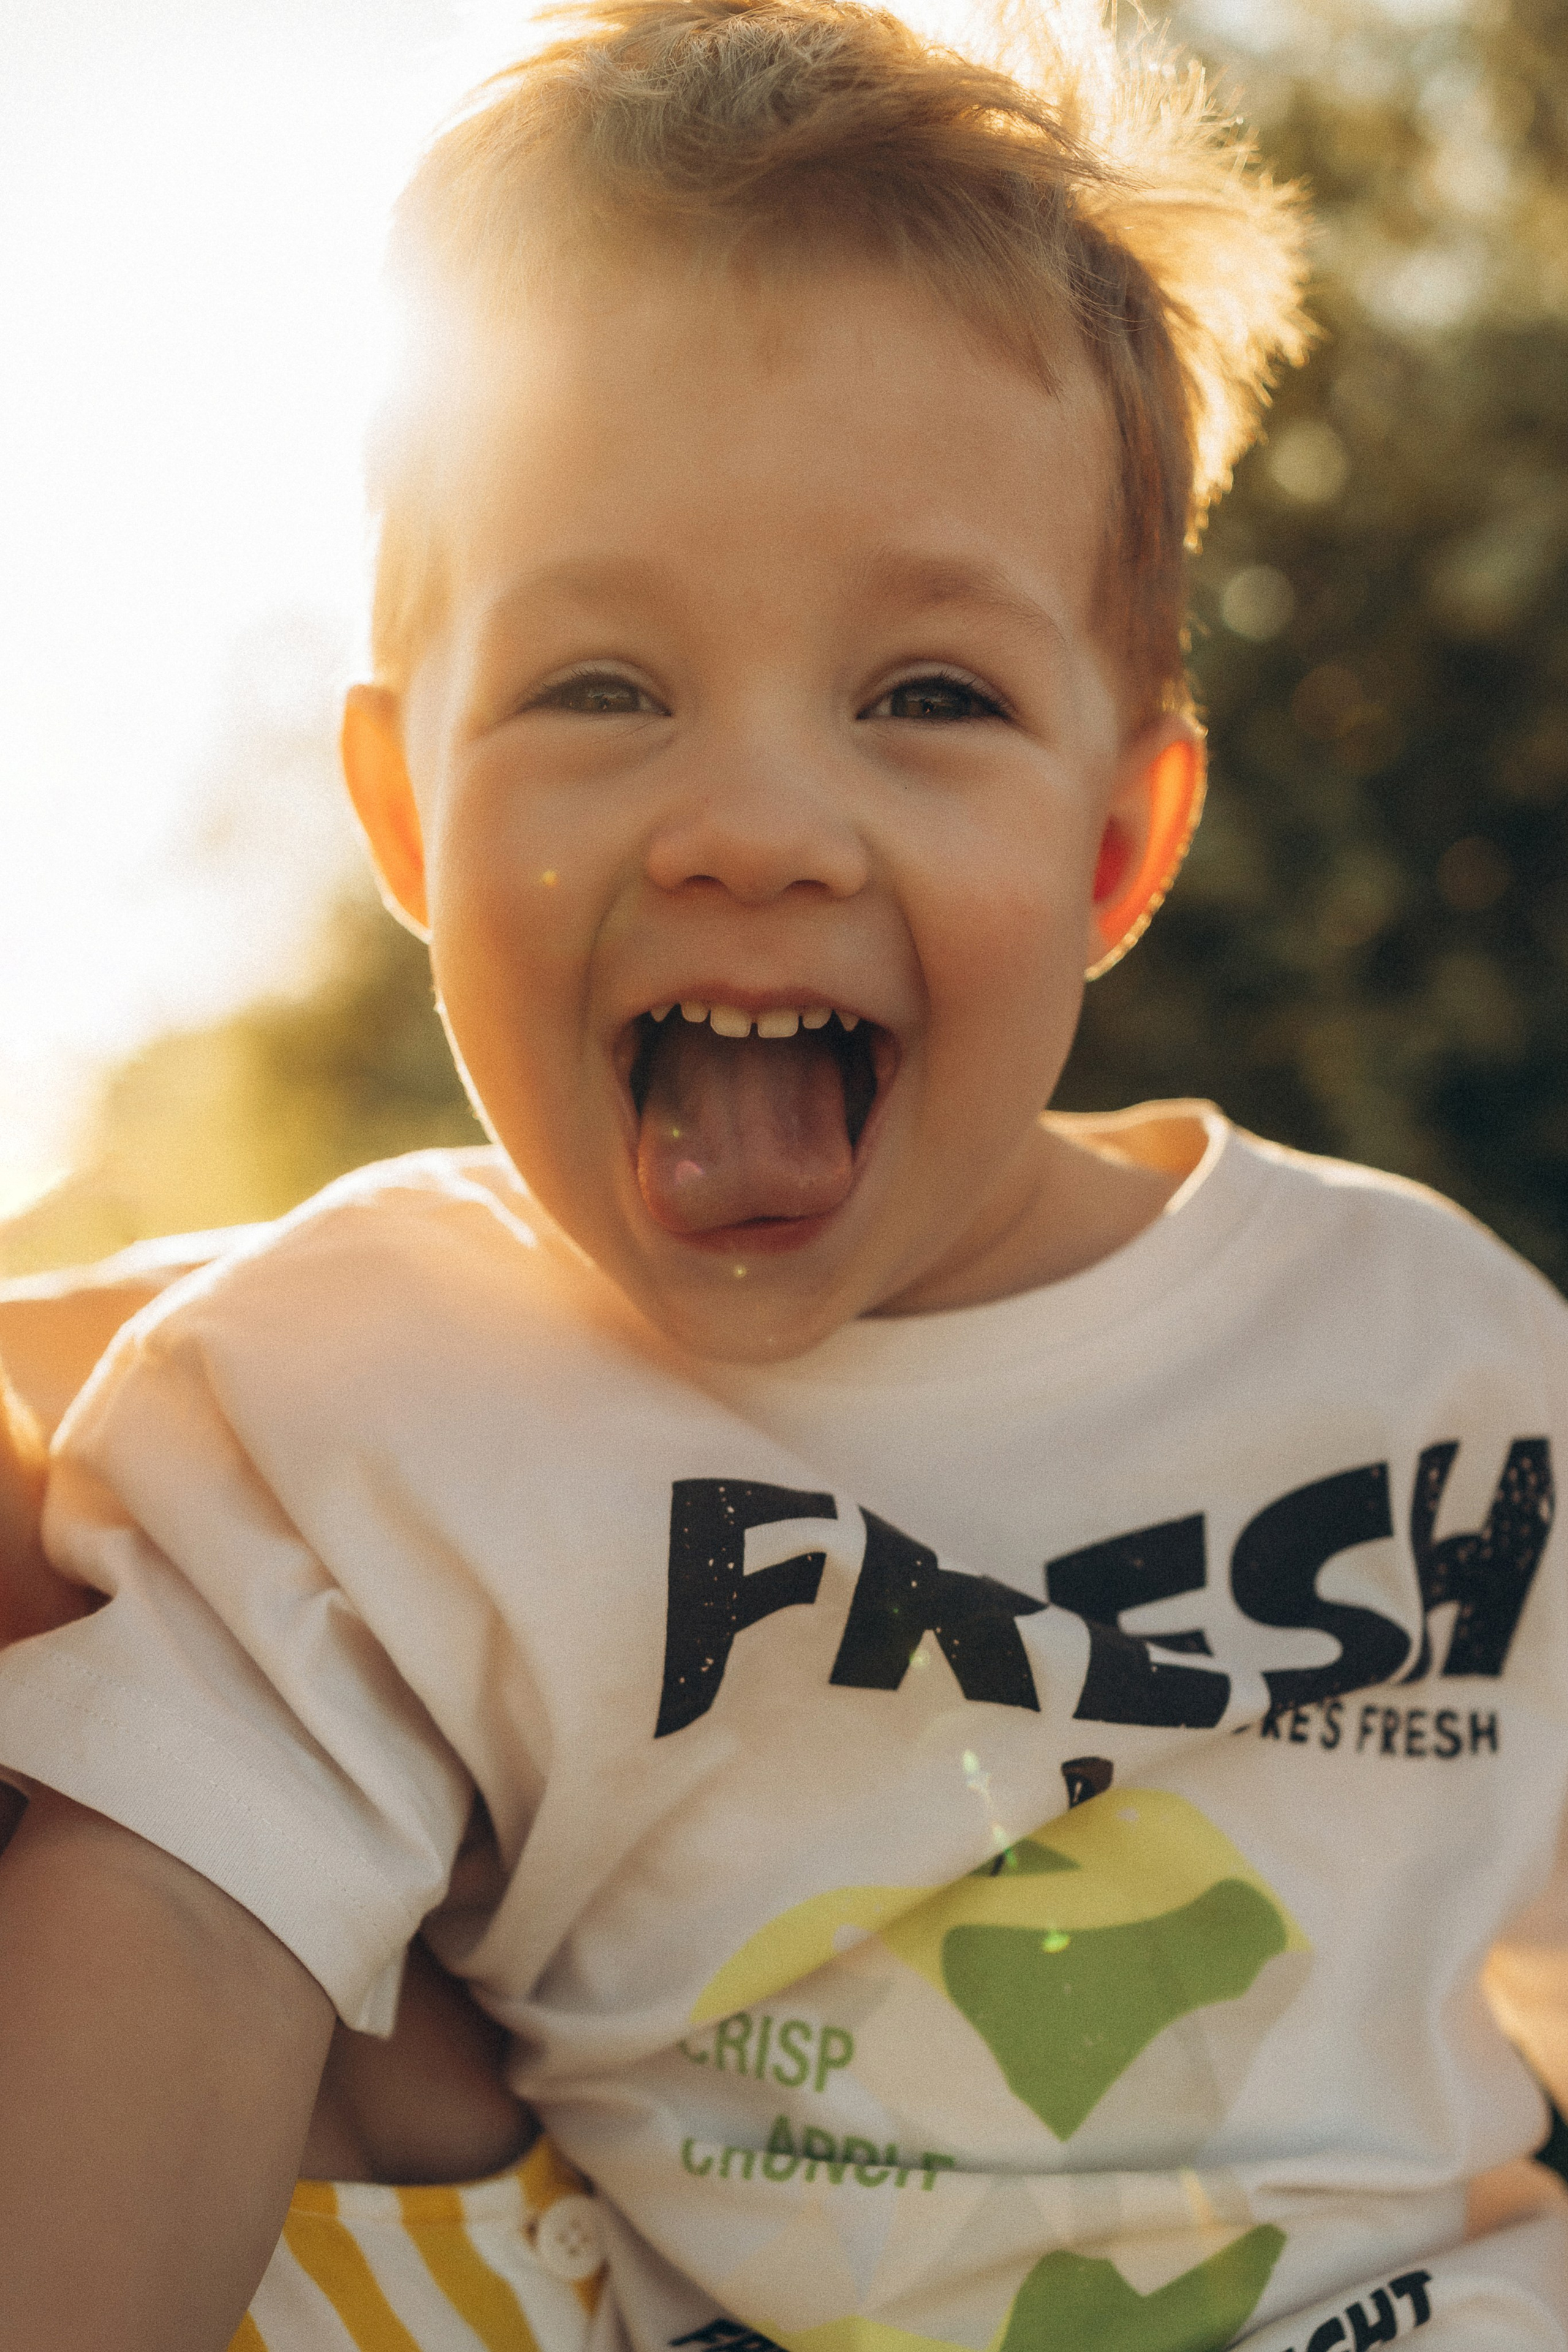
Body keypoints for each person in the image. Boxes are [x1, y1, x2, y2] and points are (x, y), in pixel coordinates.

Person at [2, 1, 1567, 2345]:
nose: (748, 828)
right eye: (600, 687)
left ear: (1119, 843)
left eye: (929, 695)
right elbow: (182, 1956)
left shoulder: (1429, 1354)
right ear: (410, 820)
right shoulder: (340, 1416)